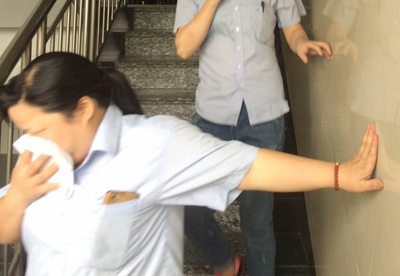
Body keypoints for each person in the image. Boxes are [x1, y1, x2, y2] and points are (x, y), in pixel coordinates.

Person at [0, 52, 383, 276]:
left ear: (83, 109)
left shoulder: (153, 145)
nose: (28, 143)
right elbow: (6, 230)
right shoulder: (39, 163)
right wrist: (18, 196)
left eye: (37, 129)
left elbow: (249, 167)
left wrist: (340, 175)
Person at [174, 0, 334, 276]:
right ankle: (224, 262)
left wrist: (302, 43)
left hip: (264, 114)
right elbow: (184, 48)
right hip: (212, 116)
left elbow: (292, 28)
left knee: (258, 217)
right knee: (189, 206)